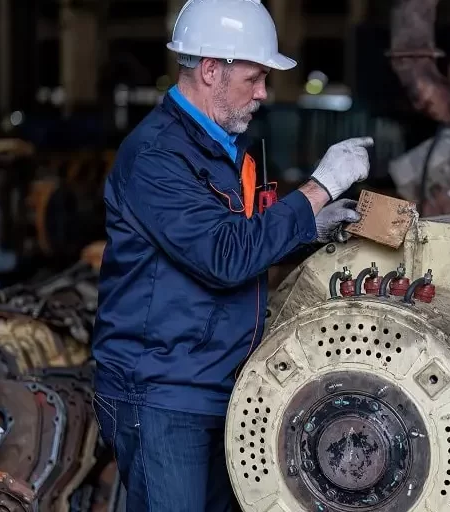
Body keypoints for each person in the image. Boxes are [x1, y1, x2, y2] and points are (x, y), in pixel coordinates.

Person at [90, 1, 370, 510]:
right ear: (211, 69)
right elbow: (224, 257)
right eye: (254, 78)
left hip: (223, 384)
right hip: (162, 392)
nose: (263, 93)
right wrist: (319, 189)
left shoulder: (220, 150)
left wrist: (308, 229)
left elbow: (238, 237)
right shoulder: (157, 157)